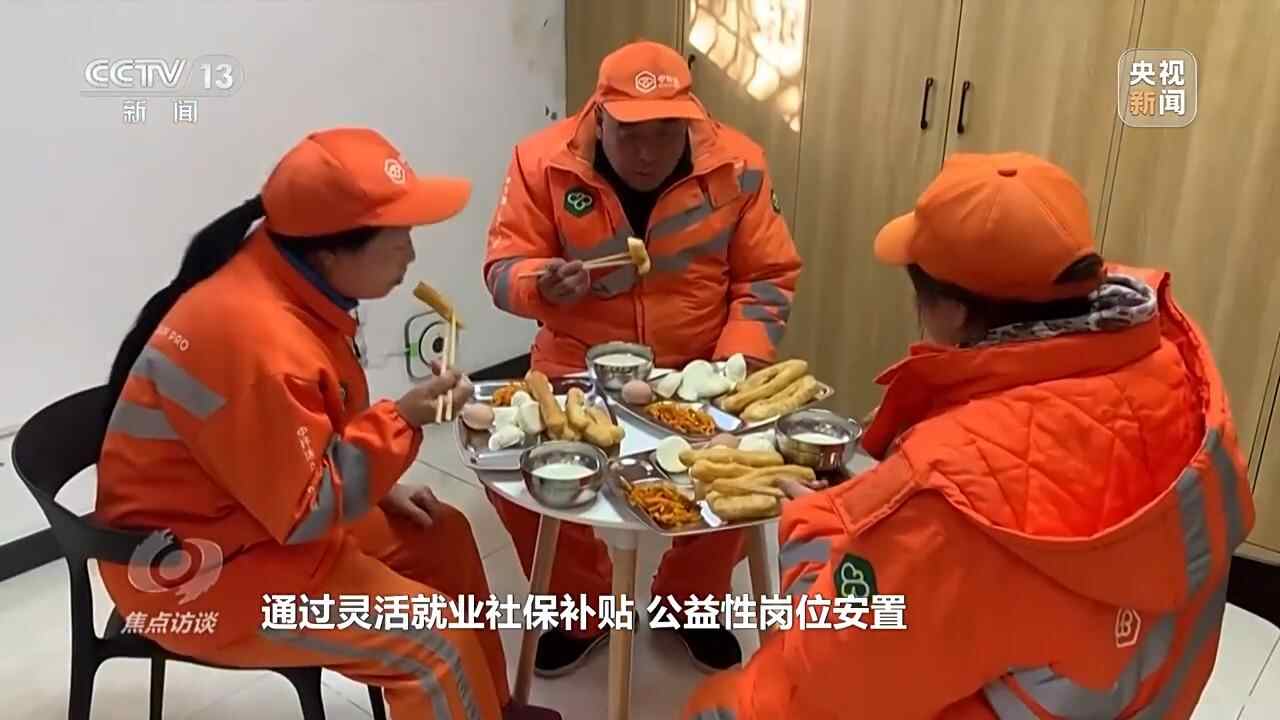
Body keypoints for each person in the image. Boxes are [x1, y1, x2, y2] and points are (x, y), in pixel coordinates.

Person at [682, 152, 1257, 719]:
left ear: (953, 311)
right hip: (1133, 691)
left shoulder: (949, 486)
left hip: (970, 688)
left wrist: (812, 524)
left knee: (722, 704)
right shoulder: (1171, 367)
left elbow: (832, 672)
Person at [95, 127, 559, 720]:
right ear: (332, 251)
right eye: (399, 238)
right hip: (197, 569)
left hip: (249, 517)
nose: (411, 255)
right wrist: (404, 419)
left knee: (442, 534)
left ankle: (491, 708)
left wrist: (379, 484)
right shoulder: (257, 339)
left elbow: (298, 440)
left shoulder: (288, 282)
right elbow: (306, 508)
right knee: (432, 645)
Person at [481, 40, 804, 676]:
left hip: (701, 361)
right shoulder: (542, 161)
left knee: (740, 471)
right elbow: (501, 267)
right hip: (575, 362)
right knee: (519, 478)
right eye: (631, 134)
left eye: (665, 132)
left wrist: (736, 366)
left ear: (691, 116)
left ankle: (688, 601)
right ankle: (581, 609)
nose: (648, 153)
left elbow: (767, 278)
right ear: (598, 114)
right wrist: (540, 284)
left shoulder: (738, 164)